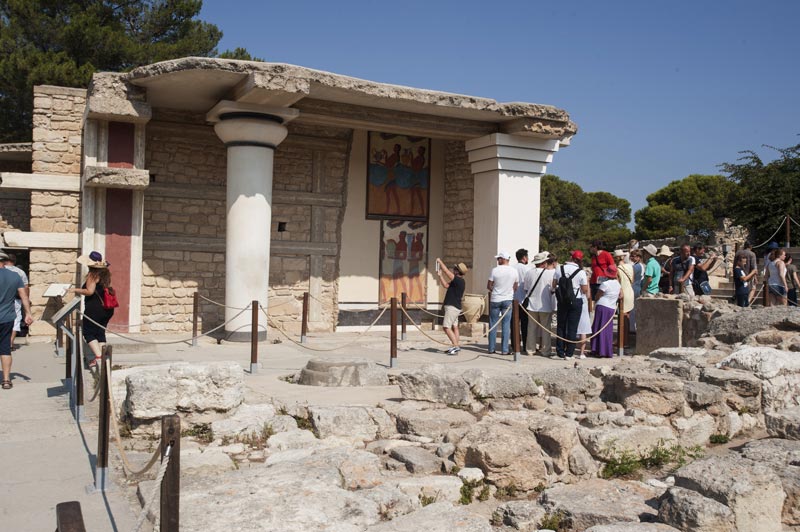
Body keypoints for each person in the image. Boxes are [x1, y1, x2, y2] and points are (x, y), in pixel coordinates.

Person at [69, 252, 116, 367]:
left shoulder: (92, 275)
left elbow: (89, 291)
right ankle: (103, 357)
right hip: (107, 308)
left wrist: (75, 290)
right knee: (100, 332)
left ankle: (99, 356)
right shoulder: (106, 273)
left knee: (88, 332)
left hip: (95, 308)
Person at [0, 252, 33, 389]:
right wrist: (28, 313)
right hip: (7, 317)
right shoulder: (15, 276)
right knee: (5, 349)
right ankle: (7, 380)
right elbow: (24, 296)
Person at [553, 250, 589, 359]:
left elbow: (554, 284)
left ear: (571, 258)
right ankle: (569, 353)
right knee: (573, 327)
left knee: (561, 326)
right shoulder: (581, 272)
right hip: (576, 300)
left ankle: (560, 351)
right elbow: (585, 289)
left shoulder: (560, 269)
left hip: (562, 300)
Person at [523, 252, 555, 356]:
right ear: (544, 262)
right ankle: (545, 351)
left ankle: (530, 349)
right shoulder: (550, 273)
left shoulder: (529, 272)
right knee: (546, 329)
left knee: (531, 328)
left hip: (532, 304)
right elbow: (552, 289)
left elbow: (526, 288)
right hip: (545, 304)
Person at [487, 251, 518, 355]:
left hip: (495, 298)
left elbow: (489, 285)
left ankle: (491, 348)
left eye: (499, 258)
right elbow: (515, 286)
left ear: (503, 259)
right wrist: (508, 291)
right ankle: (504, 349)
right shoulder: (514, 271)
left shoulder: (494, 270)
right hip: (507, 299)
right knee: (506, 325)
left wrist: (495, 290)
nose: (497, 260)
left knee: (493, 324)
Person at [436, 258, 468, 355]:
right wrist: (440, 276)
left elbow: (446, 271)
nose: (453, 269)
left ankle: (456, 346)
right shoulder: (458, 281)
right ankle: (455, 346)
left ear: (458, 271)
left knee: (446, 327)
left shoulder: (458, 280)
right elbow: (446, 285)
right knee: (455, 327)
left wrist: (440, 261)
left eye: (455, 268)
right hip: (455, 307)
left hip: (452, 307)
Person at [2, 253, 29, 350]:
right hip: (16, 299)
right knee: (16, 320)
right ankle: (9, 343)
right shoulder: (20, 272)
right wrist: (27, 302)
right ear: (14, 261)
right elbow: (25, 288)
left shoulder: (2, 270)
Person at [591, 270, 621, 358]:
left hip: (602, 305)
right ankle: (606, 351)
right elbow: (621, 295)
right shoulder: (618, 284)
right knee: (607, 329)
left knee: (598, 327)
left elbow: (598, 295)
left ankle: (597, 350)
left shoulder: (605, 283)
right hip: (611, 307)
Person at [614, 250, 634, 342]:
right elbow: (632, 280)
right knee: (627, 317)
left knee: (622, 317)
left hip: (623, 293)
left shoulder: (617, 269)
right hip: (630, 291)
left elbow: (617, 283)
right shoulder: (630, 266)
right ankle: (625, 340)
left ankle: (622, 340)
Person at [513, 248, 530, 352]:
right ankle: (525, 344)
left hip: (514, 298)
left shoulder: (512, 268)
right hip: (524, 298)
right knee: (525, 324)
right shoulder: (527, 269)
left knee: (514, 323)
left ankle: (515, 344)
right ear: (524, 258)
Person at [629, 249, 644, 332]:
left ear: (638, 257)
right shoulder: (641, 265)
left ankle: (632, 328)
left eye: (633, 256)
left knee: (632, 309)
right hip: (637, 288)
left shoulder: (636, 267)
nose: (631, 258)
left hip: (634, 288)